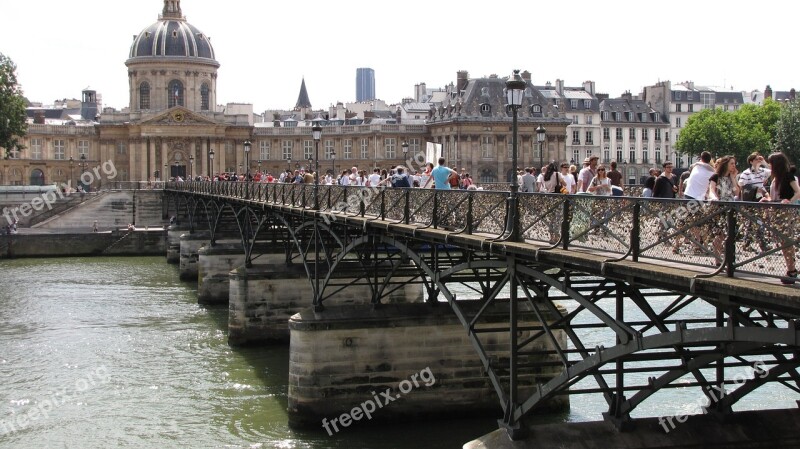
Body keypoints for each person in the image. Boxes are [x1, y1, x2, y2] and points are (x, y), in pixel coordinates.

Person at [761, 152, 800, 283]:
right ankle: (790, 269)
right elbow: (774, 197)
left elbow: (798, 192)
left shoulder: (788, 176)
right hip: (777, 211)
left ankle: (792, 270)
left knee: (786, 240)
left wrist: (789, 200)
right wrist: (767, 199)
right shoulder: (775, 178)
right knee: (782, 241)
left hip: (785, 212)